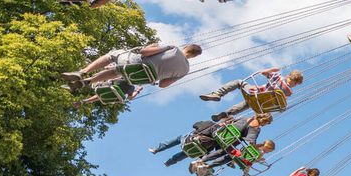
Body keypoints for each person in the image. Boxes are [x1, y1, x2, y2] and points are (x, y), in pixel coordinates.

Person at [63, 43, 203, 90]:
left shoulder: (173, 48)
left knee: (113, 55)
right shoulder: (185, 71)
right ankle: (87, 82)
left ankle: (83, 72)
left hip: (136, 63)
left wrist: (151, 46)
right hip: (139, 78)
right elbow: (163, 85)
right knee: (117, 72)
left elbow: (144, 52)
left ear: (187, 47)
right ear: (194, 56)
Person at [203, 67, 303, 121]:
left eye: (294, 83)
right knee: (247, 104)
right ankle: (224, 114)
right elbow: (281, 105)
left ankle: (218, 94)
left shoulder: (279, 78)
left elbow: (263, 72)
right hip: (261, 105)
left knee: (239, 82)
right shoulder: (289, 93)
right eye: (295, 83)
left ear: (288, 75)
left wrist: (273, 69)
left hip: (256, 93)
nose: (293, 84)